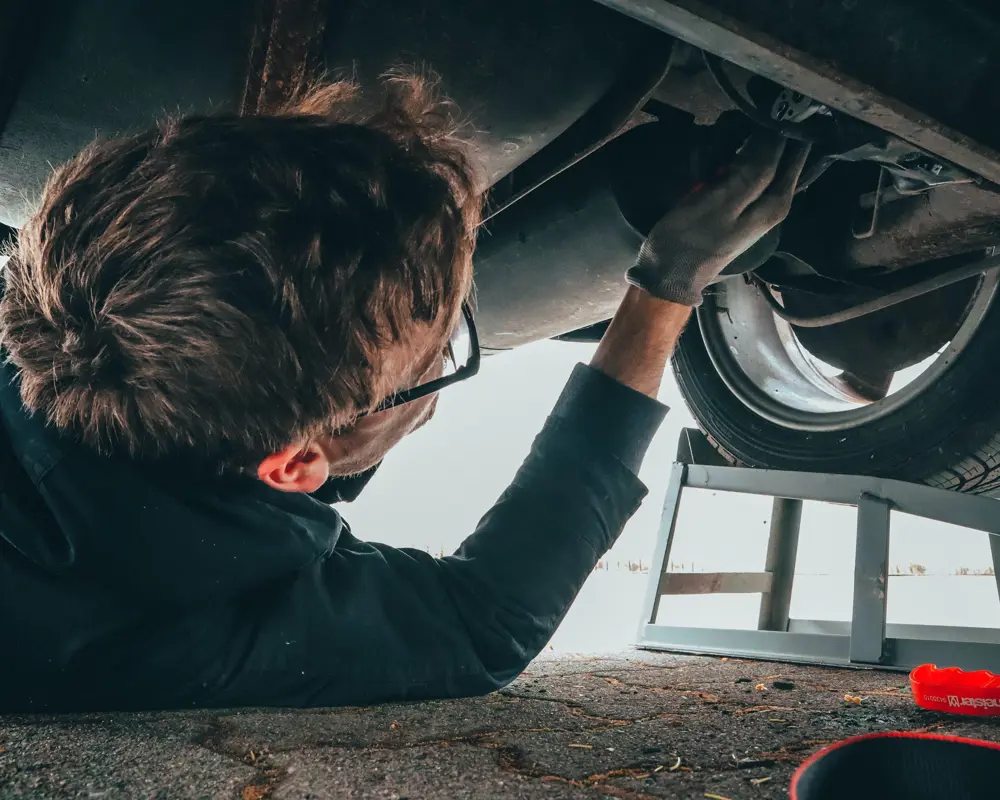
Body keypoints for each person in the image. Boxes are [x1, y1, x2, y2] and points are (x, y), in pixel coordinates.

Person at [0, 76, 808, 711]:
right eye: (441, 351)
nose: (440, 374)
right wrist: (665, 287)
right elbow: (486, 621)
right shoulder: (177, 634)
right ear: (292, 463)